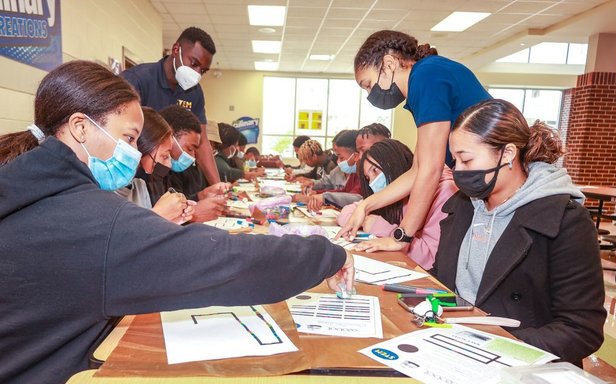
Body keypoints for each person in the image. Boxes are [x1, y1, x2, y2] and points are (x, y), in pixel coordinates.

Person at [0, 61, 354, 384]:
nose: (136, 154)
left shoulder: (25, 188)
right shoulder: (91, 221)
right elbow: (226, 261)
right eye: (128, 138)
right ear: (80, 127)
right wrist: (328, 255)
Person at [433, 99, 605, 365]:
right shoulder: (461, 207)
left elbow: (581, 328)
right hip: (454, 349)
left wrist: (496, 345)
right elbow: (444, 278)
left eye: (466, 159)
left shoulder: (566, 220)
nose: (458, 171)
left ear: (508, 153)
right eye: (454, 160)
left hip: (521, 364)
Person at [338, 30, 492, 254]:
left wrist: (401, 237)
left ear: (389, 63)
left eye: (369, 84)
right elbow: (417, 170)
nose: (371, 94)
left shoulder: (426, 76)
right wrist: (365, 205)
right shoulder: (423, 79)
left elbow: (431, 169)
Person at [121, 27, 220, 187]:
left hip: (168, 176)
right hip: (136, 173)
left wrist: (217, 186)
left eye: (203, 71)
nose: (197, 73)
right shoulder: (137, 80)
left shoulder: (194, 93)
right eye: (194, 64)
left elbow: (202, 142)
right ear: (176, 49)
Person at [339, 139, 457, 269]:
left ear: (396, 163)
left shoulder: (444, 191)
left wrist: (380, 226)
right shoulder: (393, 196)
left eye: (375, 171)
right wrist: (365, 217)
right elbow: (346, 214)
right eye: (368, 178)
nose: (373, 182)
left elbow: (429, 258)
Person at [116, 106, 195, 224]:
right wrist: (158, 215)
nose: (168, 164)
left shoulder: (140, 184)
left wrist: (174, 220)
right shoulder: (107, 188)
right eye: (165, 156)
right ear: (144, 146)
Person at [159, 105, 228, 222]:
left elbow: (176, 202)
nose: (192, 157)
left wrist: (200, 196)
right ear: (169, 136)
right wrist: (191, 214)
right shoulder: (149, 174)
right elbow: (152, 220)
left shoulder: (168, 172)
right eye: (190, 148)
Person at [304, 130, 362, 211]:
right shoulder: (354, 172)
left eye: (341, 158)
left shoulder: (363, 173)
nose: (338, 161)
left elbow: (357, 197)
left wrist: (325, 196)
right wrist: (318, 193)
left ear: (356, 155)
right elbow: (344, 191)